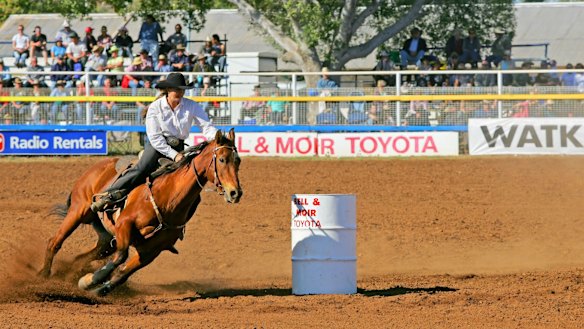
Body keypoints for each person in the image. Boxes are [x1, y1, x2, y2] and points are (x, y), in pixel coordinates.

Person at [90, 72, 218, 212]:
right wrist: (175, 155)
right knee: (141, 169)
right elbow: (155, 138)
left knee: (192, 186)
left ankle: (179, 223)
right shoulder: (155, 107)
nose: (179, 92)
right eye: (176, 89)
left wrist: (219, 139)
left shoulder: (192, 106)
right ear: (168, 90)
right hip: (158, 147)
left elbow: (206, 127)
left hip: (180, 148)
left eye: (182, 89)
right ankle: (109, 194)